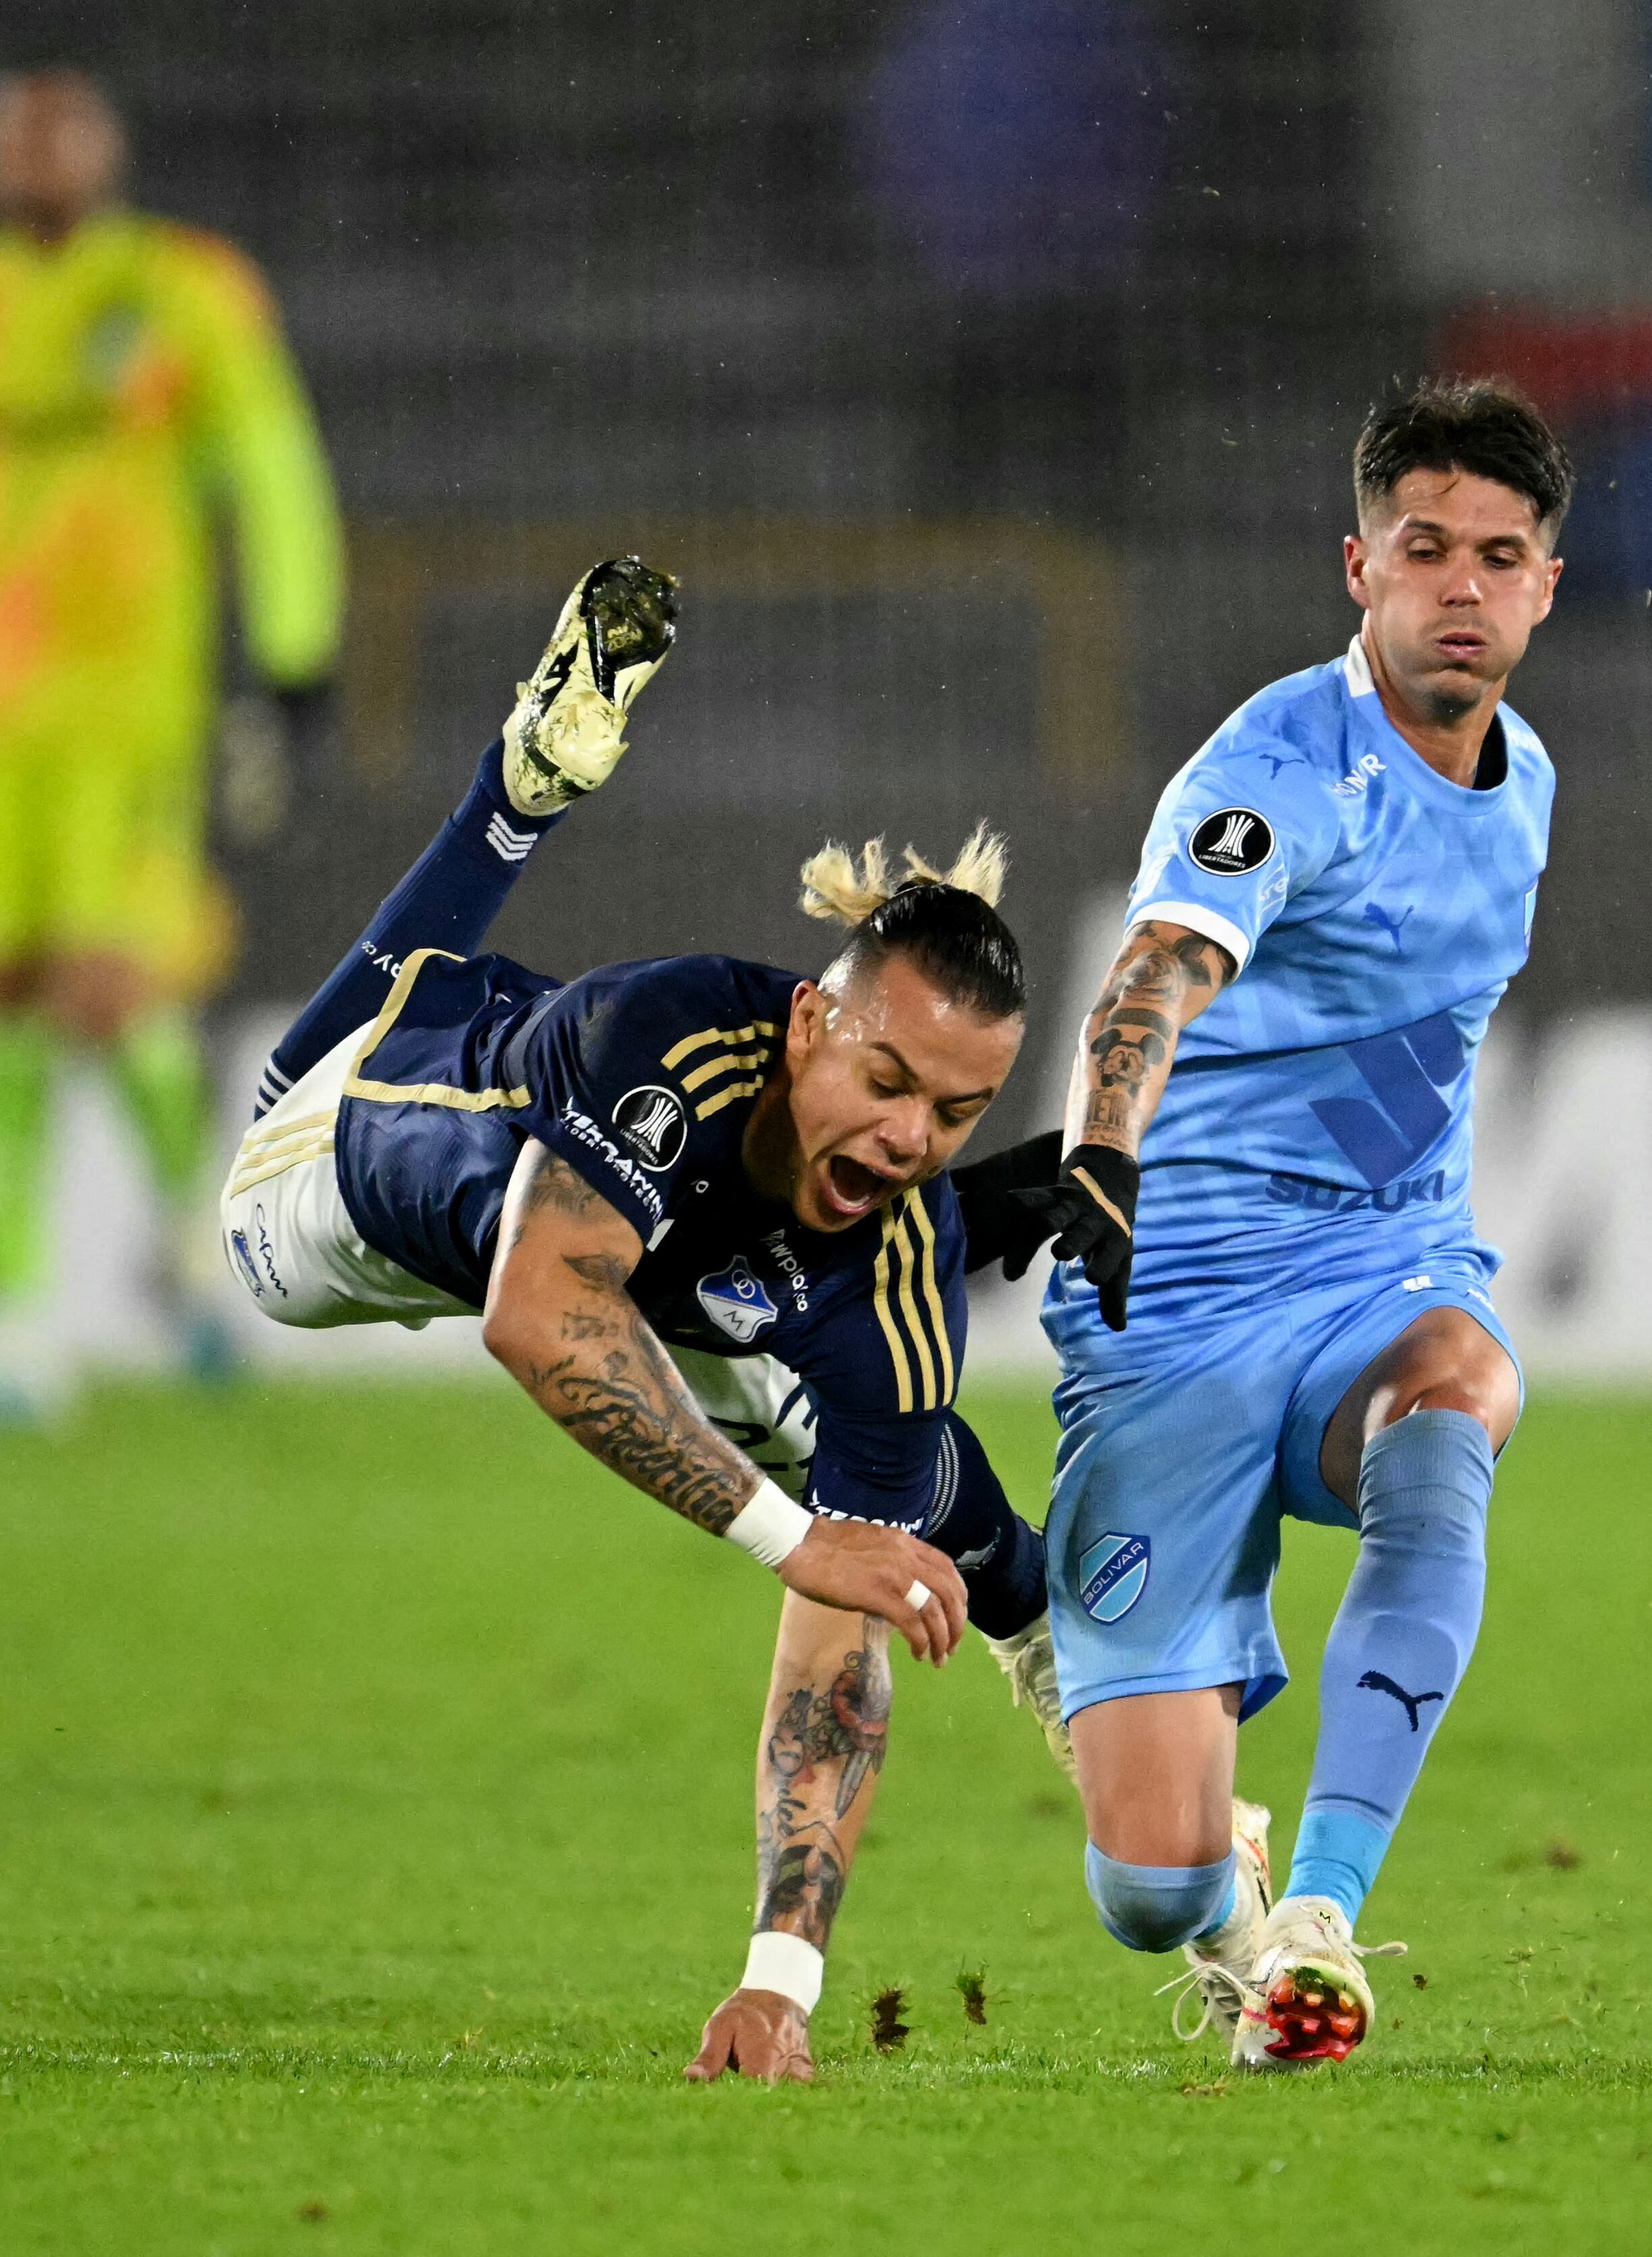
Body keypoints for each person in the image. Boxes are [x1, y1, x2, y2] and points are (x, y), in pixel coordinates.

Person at [221, 557, 1072, 2082]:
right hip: (349, 1174)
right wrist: (789, 1534)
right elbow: (540, 1317)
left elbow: (841, 1643)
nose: (903, 1133)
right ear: (812, 1023)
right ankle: (519, 790)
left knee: (894, 1431)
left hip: (667, 1263)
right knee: (766, 1387)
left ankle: (1061, 1643)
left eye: (955, 1112)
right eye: (883, 1083)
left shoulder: (888, 1257)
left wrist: (780, 1977)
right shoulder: (675, 1027)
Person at [1011, 380, 1566, 2067]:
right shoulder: (1273, 768)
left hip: (1371, 1275)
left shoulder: (1526, 779)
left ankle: (1323, 1907)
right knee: (1149, 1887)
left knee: (1457, 1388)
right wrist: (1101, 1148)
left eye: (1497, 556)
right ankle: (1234, 1884)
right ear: (1357, 568)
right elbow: (1162, 965)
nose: (1458, 588)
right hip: (1164, 1296)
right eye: (1423, 551)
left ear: (1547, 584)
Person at [0, 68, 345, 1420]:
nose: (37, 155)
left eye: (61, 129)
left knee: (113, 992)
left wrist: (295, 653)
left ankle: (193, 1246)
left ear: (105, 148)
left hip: (129, 713)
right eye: (12, 134)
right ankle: (16, 1316)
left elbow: (273, 470)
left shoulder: (189, 293)